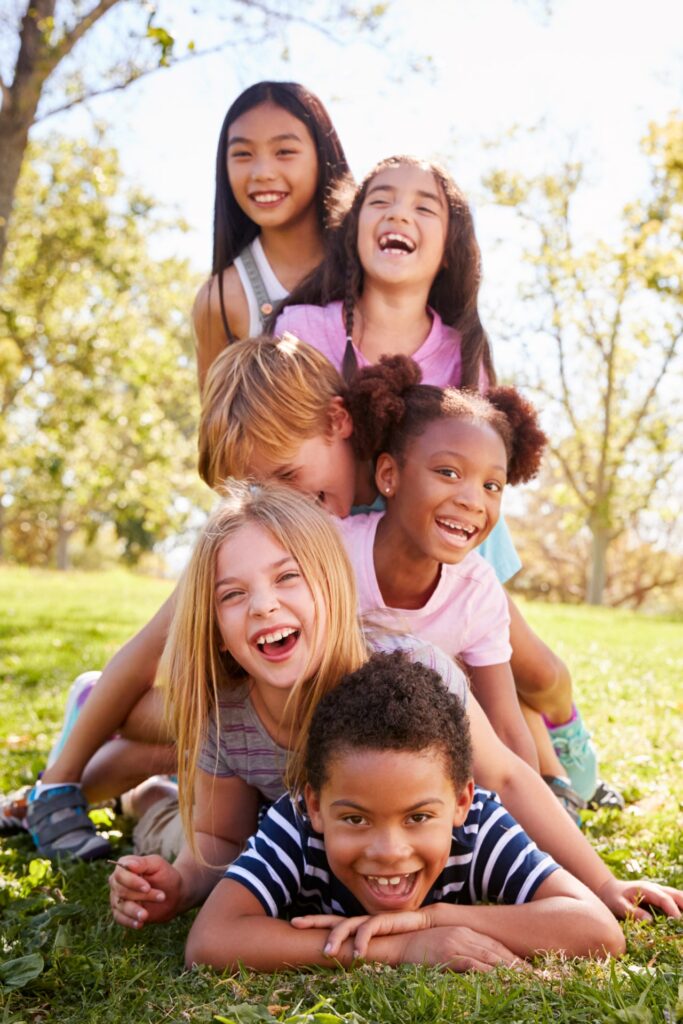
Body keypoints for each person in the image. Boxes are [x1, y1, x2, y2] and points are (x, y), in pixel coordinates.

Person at [273, 155, 603, 803]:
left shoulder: (460, 349)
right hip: (352, 546)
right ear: (352, 230)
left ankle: (561, 744)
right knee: (444, 683)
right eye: (381, 202)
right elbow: (287, 440)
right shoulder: (305, 330)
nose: (400, 214)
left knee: (532, 672)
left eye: (424, 208)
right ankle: (549, 783)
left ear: (448, 249)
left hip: (447, 546)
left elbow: (479, 466)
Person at [184, 652, 625, 972]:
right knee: (166, 815)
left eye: (417, 817)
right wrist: (400, 946)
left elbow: (597, 930)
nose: (390, 851)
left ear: (460, 801)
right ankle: (146, 795)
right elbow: (210, 940)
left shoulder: (479, 828)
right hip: (198, 809)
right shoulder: (297, 826)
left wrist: (435, 918)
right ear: (316, 805)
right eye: (356, 819)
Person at [338, 357, 547, 773]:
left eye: (492, 486)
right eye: (448, 472)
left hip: (420, 767)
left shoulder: (476, 590)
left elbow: (506, 729)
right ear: (388, 475)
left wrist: (527, 826)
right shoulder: (332, 554)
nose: (473, 500)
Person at [192, 80, 351, 388]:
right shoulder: (222, 299)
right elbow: (216, 431)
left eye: (284, 151)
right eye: (242, 154)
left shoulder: (372, 260)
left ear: (322, 155)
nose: (262, 172)